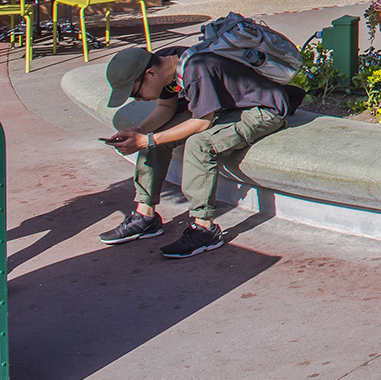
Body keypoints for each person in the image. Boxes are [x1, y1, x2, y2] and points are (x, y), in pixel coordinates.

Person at [95, 43, 303, 258]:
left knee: (199, 145)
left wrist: (147, 140)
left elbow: (202, 124)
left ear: (150, 74)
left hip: (261, 110)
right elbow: (166, 108)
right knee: (155, 137)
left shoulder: (195, 70)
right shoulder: (167, 60)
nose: (138, 99)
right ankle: (145, 215)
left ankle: (204, 228)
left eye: (135, 93)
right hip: (225, 106)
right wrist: (139, 131)